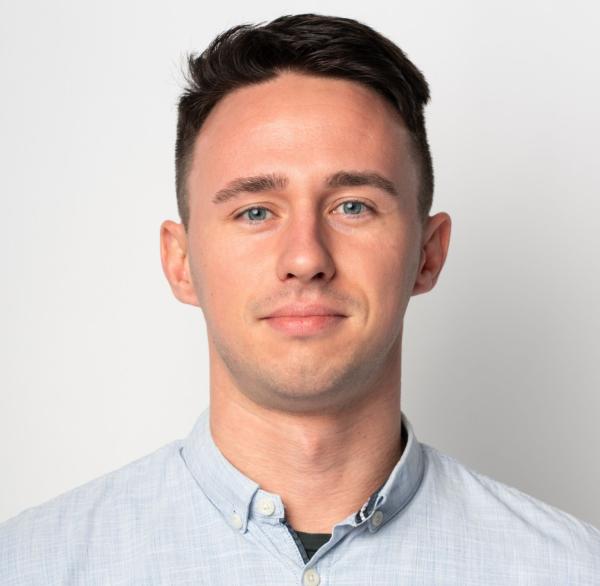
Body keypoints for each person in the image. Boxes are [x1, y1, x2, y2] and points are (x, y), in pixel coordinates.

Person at [1, 13, 599, 585]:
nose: (306, 257)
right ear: (180, 263)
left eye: (353, 206)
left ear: (428, 253)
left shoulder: (571, 571)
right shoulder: (30, 568)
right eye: (255, 212)